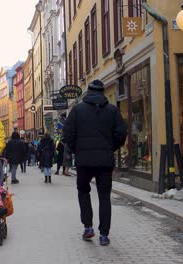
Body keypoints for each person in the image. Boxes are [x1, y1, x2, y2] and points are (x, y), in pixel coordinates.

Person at [63, 80, 127, 246]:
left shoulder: (77, 110)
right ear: (103, 92)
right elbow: (121, 132)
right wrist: (110, 147)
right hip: (105, 160)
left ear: (88, 91)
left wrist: (77, 149)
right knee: (104, 196)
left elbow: (68, 133)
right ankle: (104, 235)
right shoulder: (112, 110)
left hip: (84, 160)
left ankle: (88, 227)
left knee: (83, 191)